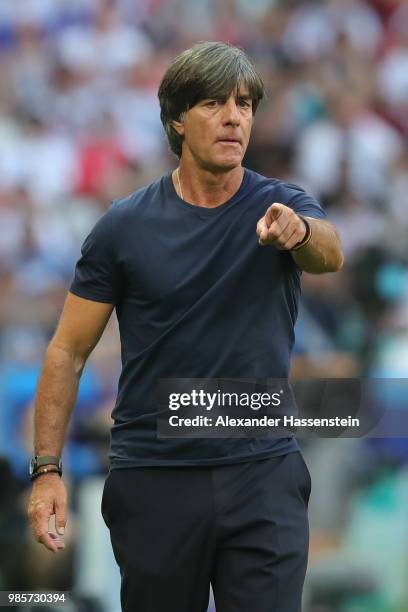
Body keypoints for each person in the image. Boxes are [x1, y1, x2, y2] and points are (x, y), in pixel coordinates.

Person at [28, 41, 344, 612]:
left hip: (262, 472)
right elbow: (68, 351)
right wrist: (47, 471)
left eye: (245, 105)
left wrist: (298, 233)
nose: (234, 118)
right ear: (176, 118)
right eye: (213, 103)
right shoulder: (122, 228)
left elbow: (330, 252)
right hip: (155, 476)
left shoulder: (282, 205)